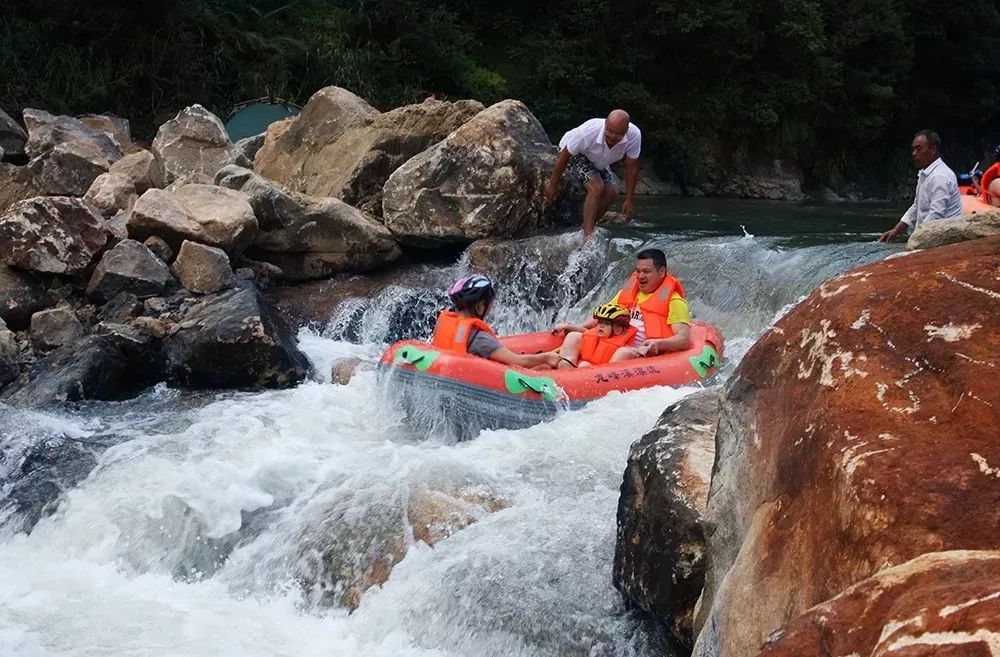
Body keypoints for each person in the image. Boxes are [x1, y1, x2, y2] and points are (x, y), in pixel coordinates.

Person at [553, 249, 690, 368]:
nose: (640, 276)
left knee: (622, 352)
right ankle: (566, 367)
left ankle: (593, 377)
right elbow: (605, 316)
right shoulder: (629, 291)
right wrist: (578, 327)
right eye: (638, 271)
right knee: (573, 336)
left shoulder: (674, 302)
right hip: (611, 341)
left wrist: (658, 344)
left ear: (661, 272)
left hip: (637, 352)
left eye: (646, 272)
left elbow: (683, 339)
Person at [544, 110, 642, 243]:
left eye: (618, 134)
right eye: (610, 131)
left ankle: (585, 226)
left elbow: (632, 166)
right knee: (596, 187)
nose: (613, 137)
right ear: (605, 124)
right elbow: (565, 154)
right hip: (576, 154)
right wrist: (553, 184)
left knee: (612, 193)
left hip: (599, 160)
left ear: (627, 130)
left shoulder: (634, 135)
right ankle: (587, 236)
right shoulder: (588, 131)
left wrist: (629, 200)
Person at [431, 275, 562, 369]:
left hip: (451, 372)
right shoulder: (480, 338)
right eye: (490, 304)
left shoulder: (444, 325)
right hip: (476, 382)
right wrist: (546, 357)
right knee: (544, 366)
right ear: (480, 306)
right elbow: (518, 361)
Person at [879, 130, 963, 242]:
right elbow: (916, 206)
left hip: (944, 239)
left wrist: (916, 238)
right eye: (913, 149)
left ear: (933, 150)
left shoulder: (939, 176)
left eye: (919, 149)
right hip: (927, 234)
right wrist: (896, 230)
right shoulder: (926, 174)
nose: (914, 153)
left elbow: (936, 214)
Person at [556, 303, 636, 368]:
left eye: (606, 324)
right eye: (600, 323)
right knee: (573, 335)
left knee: (584, 365)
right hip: (580, 367)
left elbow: (632, 351)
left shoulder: (623, 349)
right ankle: (565, 364)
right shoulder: (594, 335)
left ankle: (567, 371)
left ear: (617, 329)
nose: (601, 326)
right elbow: (585, 332)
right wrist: (567, 326)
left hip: (599, 374)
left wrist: (640, 350)